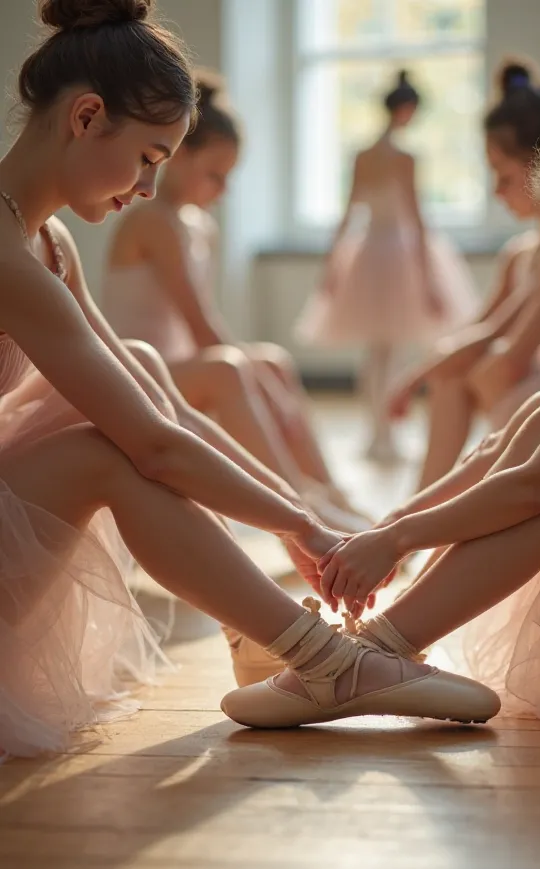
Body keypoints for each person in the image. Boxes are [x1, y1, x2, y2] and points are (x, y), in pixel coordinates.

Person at [0, 0, 499, 757]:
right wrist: (299, 526)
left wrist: (293, 513)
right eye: (149, 156)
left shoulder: (49, 242)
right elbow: (154, 448)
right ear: (87, 116)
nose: (145, 185)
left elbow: (160, 409)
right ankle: (331, 665)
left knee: (136, 365)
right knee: (104, 454)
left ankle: (286, 641)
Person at [306, 69, 540, 741]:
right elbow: (512, 440)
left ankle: (369, 656)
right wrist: (397, 520)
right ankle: (378, 648)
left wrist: (395, 540)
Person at [104, 68, 366, 533]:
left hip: (173, 367)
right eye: (215, 175)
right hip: (138, 375)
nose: (222, 191)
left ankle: (327, 491)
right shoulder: (154, 222)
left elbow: (204, 328)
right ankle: (296, 505)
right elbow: (203, 327)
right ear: (178, 157)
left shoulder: (198, 224)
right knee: (231, 369)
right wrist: (253, 378)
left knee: (273, 360)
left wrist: (262, 373)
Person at [389, 60, 540, 493]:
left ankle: (427, 513)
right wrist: (418, 375)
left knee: (477, 373)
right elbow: (484, 327)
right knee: (456, 373)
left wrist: (426, 378)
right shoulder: (520, 255)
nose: (495, 191)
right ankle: (419, 510)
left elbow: (514, 353)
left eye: (504, 176)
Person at [294, 69, 477, 464]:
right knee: (390, 352)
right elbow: (417, 220)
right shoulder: (405, 158)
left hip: (368, 252)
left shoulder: (362, 156)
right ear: (407, 109)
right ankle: (385, 436)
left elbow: (347, 217)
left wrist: (332, 266)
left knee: (376, 353)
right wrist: (429, 279)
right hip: (400, 255)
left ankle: (377, 434)